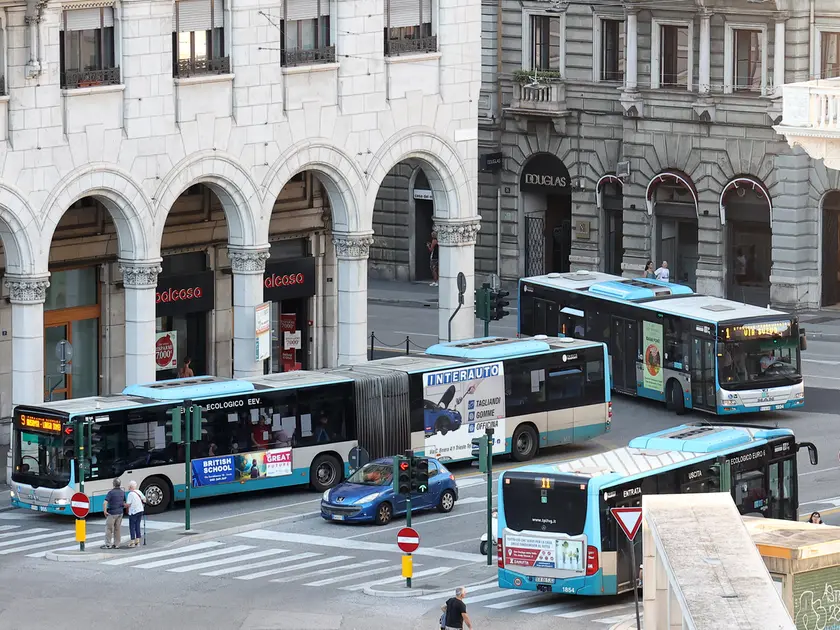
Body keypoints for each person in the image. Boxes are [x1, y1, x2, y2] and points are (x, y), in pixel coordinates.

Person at [102, 478, 125, 549]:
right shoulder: (122, 492)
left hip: (112, 513)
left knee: (109, 529)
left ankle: (108, 544)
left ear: (113, 484)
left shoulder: (111, 493)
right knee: (117, 529)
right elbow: (124, 502)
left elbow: (105, 502)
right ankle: (117, 544)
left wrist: (105, 511)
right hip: (120, 513)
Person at [125, 481, 146, 547]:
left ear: (130, 487)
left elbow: (128, 504)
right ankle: (138, 541)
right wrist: (142, 505)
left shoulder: (130, 494)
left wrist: (123, 505)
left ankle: (132, 542)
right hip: (140, 510)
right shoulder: (138, 491)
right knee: (137, 525)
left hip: (133, 512)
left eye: (128, 486)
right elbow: (144, 499)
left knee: (132, 527)